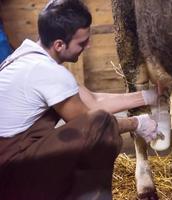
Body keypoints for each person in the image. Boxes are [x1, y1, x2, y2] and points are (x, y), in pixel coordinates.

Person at [0, 0, 159, 199]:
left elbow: (93, 101)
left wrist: (149, 96)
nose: (89, 45)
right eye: (82, 42)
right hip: (9, 172)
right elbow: (92, 124)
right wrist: (137, 123)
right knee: (102, 129)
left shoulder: (30, 56)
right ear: (59, 45)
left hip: (13, 159)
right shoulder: (47, 72)